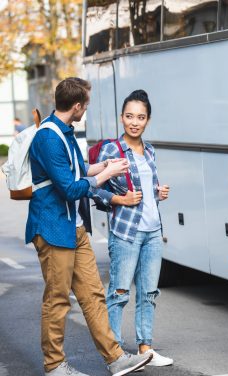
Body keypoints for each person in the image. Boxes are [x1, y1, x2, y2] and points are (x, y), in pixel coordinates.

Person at [26, 77, 153, 376]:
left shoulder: (66, 132)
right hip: (53, 228)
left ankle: (115, 358)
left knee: (93, 294)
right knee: (57, 299)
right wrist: (102, 175)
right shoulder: (48, 138)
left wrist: (108, 168)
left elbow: (80, 170)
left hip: (75, 227)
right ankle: (54, 365)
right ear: (77, 105)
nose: (87, 110)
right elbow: (70, 188)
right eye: (86, 104)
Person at [94, 89, 173, 367]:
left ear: (148, 120)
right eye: (129, 116)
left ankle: (145, 349)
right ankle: (113, 354)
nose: (134, 122)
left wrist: (158, 191)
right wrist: (119, 199)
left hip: (153, 232)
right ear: (121, 118)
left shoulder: (149, 149)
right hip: (126, 232)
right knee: (119, 294)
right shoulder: (111, 150)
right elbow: (94, 190)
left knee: (149, 293)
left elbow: (145, 186)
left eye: (140, 117)